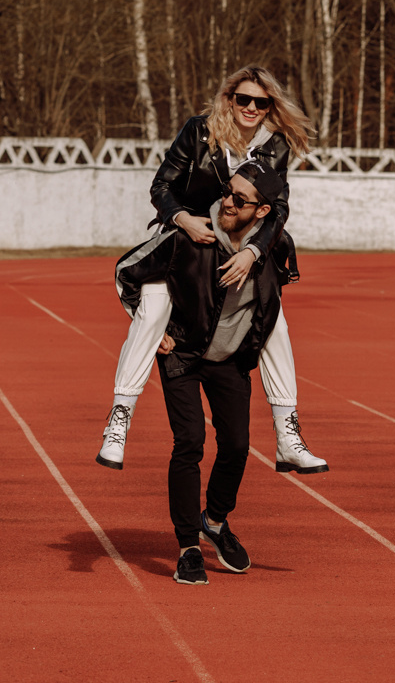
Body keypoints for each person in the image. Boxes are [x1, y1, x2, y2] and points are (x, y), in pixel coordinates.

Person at [96, 66, 327, 476]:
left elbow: (279, 207)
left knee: (275, 322)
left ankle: (287, 434)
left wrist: (254, 251)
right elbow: (161, 186)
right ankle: (119, 421)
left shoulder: (276, 144)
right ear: (229, 99)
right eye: (244, 99)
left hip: (239, 244)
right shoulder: (199, 130)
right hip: (188, 240)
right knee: (152, 310)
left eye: (262, 101)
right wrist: (183, 218)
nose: (252, 108)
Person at [132, 163, 285, 584]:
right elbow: (127, 273)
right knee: (190, 442)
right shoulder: (189, 237)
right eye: (228, 192)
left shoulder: (274, 246)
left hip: (230, 359)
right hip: (181, 352)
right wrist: (152, 327)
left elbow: (275, 297)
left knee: (237, 445)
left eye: (240, 199)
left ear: (262, 211)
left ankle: (214, 521)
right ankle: (188, 546)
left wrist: (251, 347)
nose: (228, 202)